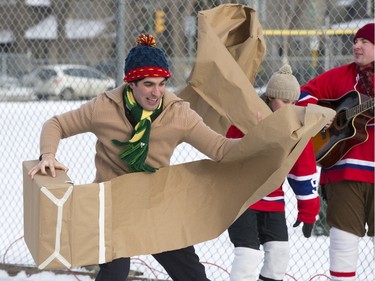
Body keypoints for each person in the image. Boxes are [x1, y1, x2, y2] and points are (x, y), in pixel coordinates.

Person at [28, 33, 242, 281]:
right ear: (131, 83)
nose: (157, 92)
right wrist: (48, 155)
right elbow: (56, 124)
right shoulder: (104, 108)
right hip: (113, 207)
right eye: (149, 84)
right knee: (114, 272)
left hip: (155, 204)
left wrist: (263, 140)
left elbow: (219, 148)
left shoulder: (178, 114)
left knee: (191, 273)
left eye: (162, 83)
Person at [227, 64, 320, 281]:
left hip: (273, 201)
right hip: (243, 201)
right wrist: (256, 135)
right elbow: (228, 151)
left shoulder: (295, 126)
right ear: (270, 97)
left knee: (279, 256)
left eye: (293, 102)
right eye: (283, 101)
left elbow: (303, 170)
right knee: (248, 256)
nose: (289, 107)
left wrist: (308, 211)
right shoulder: (249, 116)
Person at [297, 23, 374, 281]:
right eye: (356, 41)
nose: (357, 46)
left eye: (365, 42)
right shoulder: (340, 76)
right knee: (343, 240)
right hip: (344, 169)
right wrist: (322, 115)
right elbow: (303, 95)